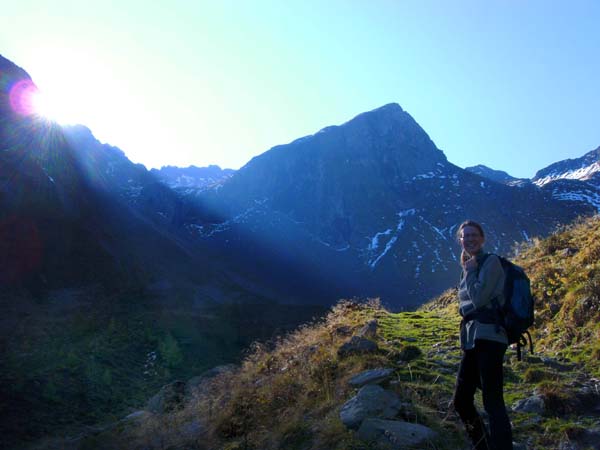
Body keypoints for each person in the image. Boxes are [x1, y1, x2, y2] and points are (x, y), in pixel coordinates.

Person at [453, 220, 513, 450]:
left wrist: (468, 273)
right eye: (465, 236)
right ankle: (483, 445)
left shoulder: (491, 262)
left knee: (492, 399)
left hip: (489, 337)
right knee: (462, 400)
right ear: (460, 240)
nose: (469, 239)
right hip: (472, 339)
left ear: (482, 238)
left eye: (473, 235)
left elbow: (479, 299)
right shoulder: (470, 265)